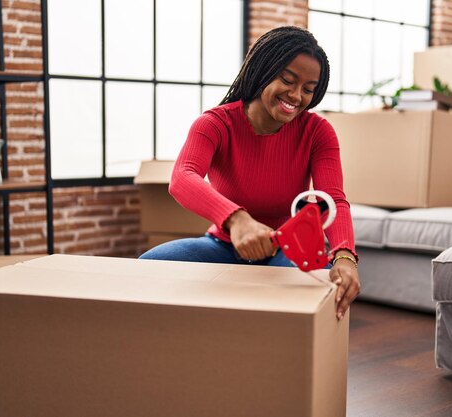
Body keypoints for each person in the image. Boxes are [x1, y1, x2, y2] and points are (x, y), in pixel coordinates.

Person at [140, 26, 360, 320]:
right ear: (263, 70)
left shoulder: (317, 132)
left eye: (308, 89)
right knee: (144, 271)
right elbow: (183, 176)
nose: (296, 96)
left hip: (289, 249)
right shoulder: (215, 124)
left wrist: (344, 256)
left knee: (317, 289)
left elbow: (333, 199)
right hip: (222, 245)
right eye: (288, 80)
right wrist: (237, 220)